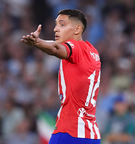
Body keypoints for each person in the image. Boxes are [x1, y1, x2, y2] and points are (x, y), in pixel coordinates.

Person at [21, 9, 101, 144]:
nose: (55, 29)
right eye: (56, 24)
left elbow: (55, 49)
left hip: (70, 132)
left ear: (77, 29)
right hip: (91, 135)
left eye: (62, 24)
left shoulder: (75, 47)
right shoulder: (93, 51)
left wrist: (37, 42)